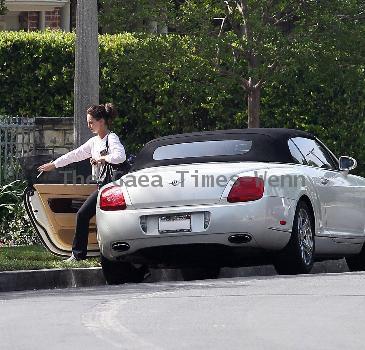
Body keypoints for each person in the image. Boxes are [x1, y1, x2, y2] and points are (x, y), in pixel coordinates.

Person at [38, 103, 126, 261]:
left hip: (112, 188)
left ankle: (83, 255)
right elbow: (74, 155)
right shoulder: (94, 142)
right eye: (88, 122)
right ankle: (82, 255)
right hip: (102, 187)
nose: (89, 125)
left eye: (91, 122)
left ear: (101, 121)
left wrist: (101, 158)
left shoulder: (111, 138)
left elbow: (120, 157)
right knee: (87, 216)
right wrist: (54, 164)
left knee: (84, 215)